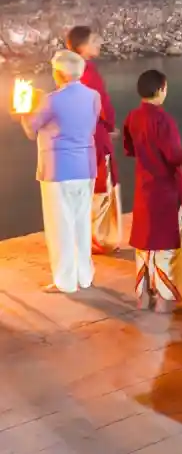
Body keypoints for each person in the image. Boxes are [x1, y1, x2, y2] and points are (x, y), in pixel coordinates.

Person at [18, 50, 99, 294]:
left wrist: (24, 111)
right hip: (85, 166)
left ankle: (65, 281)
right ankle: (85, 276)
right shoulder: (93, 96)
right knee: (82, 222)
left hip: (58, 169)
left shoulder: (52, 100)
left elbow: (32, 129)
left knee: (60, 226)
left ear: (59, 73)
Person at [123, 70, 182, 312]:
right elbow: (174, 156)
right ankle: (163, 297)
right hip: (165, 187)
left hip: (144, 185)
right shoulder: (164, 120)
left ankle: (143, 295)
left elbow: (129, 148)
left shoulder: (132, 117)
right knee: (164, 244)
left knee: (144, 242)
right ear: (161, 90)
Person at [66, 26, 119, 253]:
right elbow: (99, 104)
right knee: (102, 184)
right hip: (95, 135)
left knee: (89, 184)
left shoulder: (68, 72)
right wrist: (108, 127)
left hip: (80, 136)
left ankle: (89, 236)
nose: (99, 43)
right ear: (82, 46)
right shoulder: (87, 72)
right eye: (94, 40)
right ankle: (99, 238)